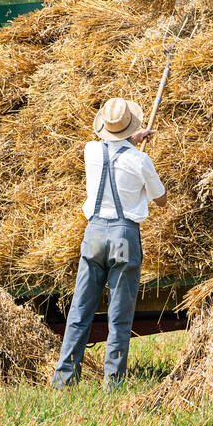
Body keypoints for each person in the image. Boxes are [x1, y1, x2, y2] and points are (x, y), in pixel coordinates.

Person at [51, 97, 167, 389]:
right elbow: (162, 200)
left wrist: (130, 141)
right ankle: (113, 383)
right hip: (123, 237)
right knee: (119, 314)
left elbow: (110, 152)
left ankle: (64, 379)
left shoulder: (90, 151)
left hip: (94, 235)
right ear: (131, 127)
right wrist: (138, 159)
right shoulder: (141, 160)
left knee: (80, 310)